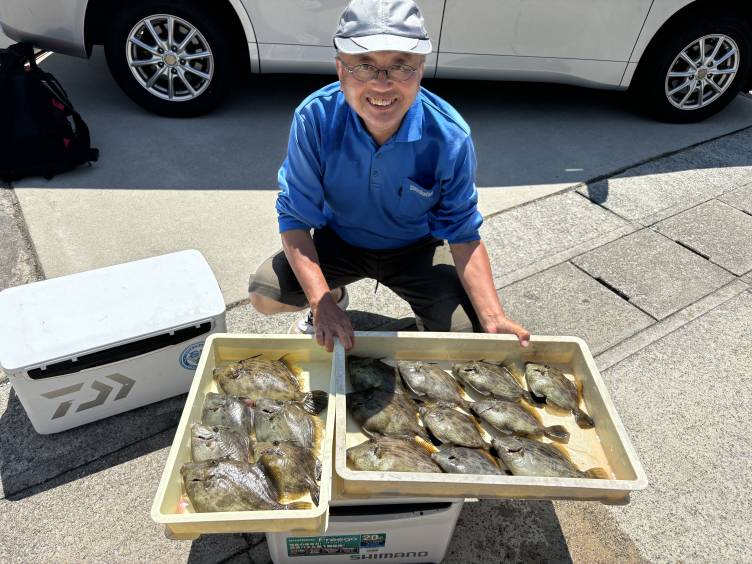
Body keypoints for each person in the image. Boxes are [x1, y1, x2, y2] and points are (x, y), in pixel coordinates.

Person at [249, 0, 530, 352]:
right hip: (338, 241)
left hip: (417, 249)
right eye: (364, 66)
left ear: (421, 70)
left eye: (400, 66)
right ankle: (334, 295)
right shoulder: (314, 118)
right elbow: (294, 219)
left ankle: (416, 331)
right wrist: (321, 301)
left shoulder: (450, 136)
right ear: (340, 70)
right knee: (264, 293)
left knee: (467, 332)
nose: (382, 85)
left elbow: (463, 235)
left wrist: (494, 316)